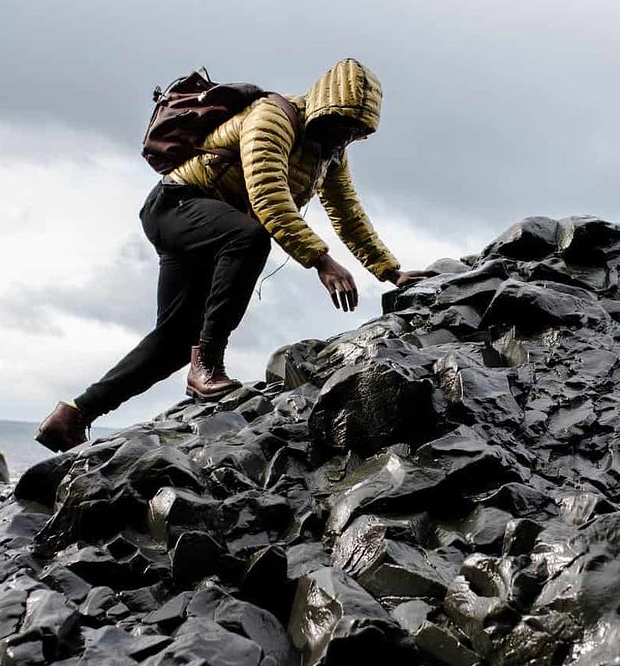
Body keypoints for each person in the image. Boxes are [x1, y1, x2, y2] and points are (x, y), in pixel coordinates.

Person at [35, 58, 433, 452]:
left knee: (173, 341)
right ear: (325, 110)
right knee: (251, 238)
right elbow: (268, 197)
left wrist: (390, 271)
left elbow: (348, 214)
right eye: (344, 125)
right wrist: (321, 261)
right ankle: (207, 364)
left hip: (209, 227)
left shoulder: (329, 153)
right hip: (175, 206)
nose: (347, 138)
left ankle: (73, 416)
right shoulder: (272, 117)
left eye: (357, 132)